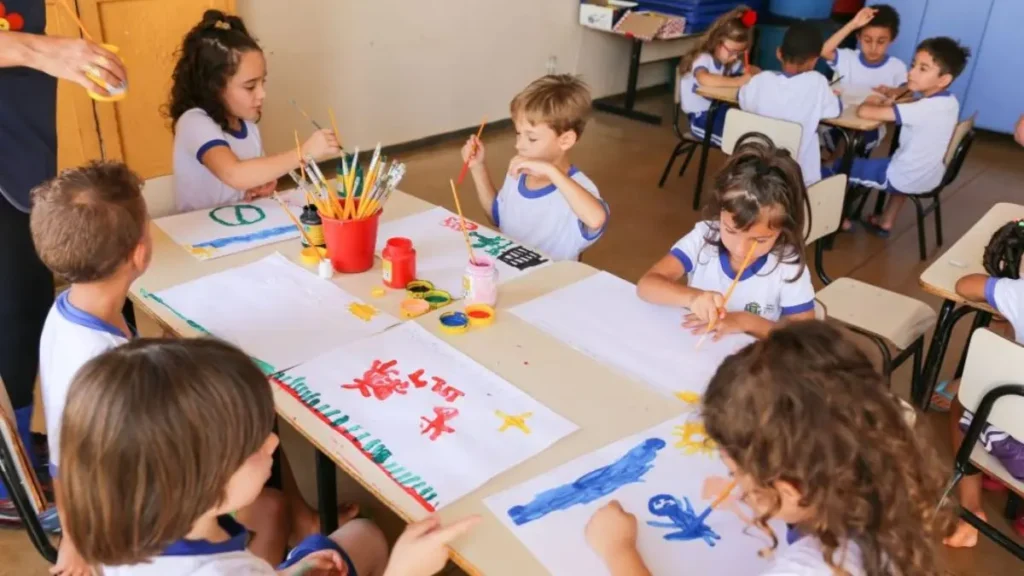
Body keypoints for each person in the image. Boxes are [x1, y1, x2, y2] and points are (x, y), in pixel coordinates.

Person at [57, 337, 479, 575]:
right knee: (373, 542)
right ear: (203, 478)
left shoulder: (128, 526)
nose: (274, 443)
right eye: (255, 444)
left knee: (365, 536)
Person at [585, 320, 954, 575]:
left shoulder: (812, 569)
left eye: (737, 475)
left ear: (790, 488)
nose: (737, 488)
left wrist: (619, 551)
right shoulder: (883, 471)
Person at [0, 0, 126, 523]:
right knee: (9, 310)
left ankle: (18, 450)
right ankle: (11, 475)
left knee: (24, 305)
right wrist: (45, 50)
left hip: (18, 139)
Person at [637, 136, 815, 339]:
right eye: (730, 231)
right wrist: (693, 298)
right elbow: (646, 285)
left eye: (759, 240)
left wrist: (744, 321)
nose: (740, 249)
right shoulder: (704, 237)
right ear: (719, 211)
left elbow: (804, 337)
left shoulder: (787, 264)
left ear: (783, 229)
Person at [168, 10, 339, 213]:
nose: (262, 94)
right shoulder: (194, 122)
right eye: (250, 87)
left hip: (241, 226)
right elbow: (234, 174)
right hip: (200, 234)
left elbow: (247, 178)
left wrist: (261, 184)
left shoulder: (248, 125)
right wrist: (303, 153)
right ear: (214, 87)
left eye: (262, 82)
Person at [461, 74, 608, 262]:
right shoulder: (519, 170)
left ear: (566, 140)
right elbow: (498, 218)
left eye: (531, 138)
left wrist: (551, 172)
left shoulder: (579, 187)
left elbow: (596, 220)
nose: (519, 145)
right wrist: (478, 167)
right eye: (518, 134)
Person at [942, 220, 1024, 546]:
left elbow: (965, 285)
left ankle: (972, 514)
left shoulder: (1016, 293)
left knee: (963, 402)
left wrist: (1006, 284)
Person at [848, 37, 970, 237]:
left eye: (923, 69)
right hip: (930, 174)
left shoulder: (924, 109)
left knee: (839, 166)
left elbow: (865, 112)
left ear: (944, 79)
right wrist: (899, 98)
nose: (911, 72)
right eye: (913, 65)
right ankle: (886, 220)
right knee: (902, 158)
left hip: (903, 176)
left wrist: (871, 101)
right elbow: (913, 104)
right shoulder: (949, 101)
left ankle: (838, 220)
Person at [739, 20, 842, 186]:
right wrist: (834, 95)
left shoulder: (760, 81)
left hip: (756, 170)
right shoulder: (818, 83)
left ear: (779, 53)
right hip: (797, 177)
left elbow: (742, 98)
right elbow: (835, 110)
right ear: (815, 60)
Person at [820, 5, 907, 154]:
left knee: (853, 145)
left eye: (881, 42)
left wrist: (895, 92)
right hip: (838, 120)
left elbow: (907, 92)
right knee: (825, 133)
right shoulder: (848, 58)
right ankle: (835, 163)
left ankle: (842, 167)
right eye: (867, 40)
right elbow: (823, 51)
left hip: (868, 129)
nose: (873, 47)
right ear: (858, 37)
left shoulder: (896, 67)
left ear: (892, 39)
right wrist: (853, 24)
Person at [677, 6, 757, 146]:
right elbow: (704, 79)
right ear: (717, 42)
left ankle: (742, 165)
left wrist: (752, 72)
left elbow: (752, 70)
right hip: (700, 119)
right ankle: (740, 165)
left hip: (718, 112)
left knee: (746, 135)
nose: (734, 58)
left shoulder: (728, 62)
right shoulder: (702, 58)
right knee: (737, 143)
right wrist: (738, 81)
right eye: (732, 52)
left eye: (739, 54)